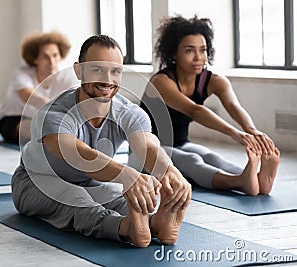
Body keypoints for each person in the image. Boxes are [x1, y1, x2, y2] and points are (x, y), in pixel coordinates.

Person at [11, 35, 191, 247]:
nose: (107, 79)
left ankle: (156, 223)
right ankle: (126, 229)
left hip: (90, 180)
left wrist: (168, 171)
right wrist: (126, 174)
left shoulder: (130, 112)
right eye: (97, 69)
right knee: (75, 199)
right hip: (35, 180)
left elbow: (147, 144)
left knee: (121, 197)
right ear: (79, 71)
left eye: (115, 71)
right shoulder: (53, 112)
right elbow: (77, 154)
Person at [137, 15, 280, 196]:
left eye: (203, 50)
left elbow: (234, 107)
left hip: (180, 143)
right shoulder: (161, 82)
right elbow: (194, 110)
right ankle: (239, 182)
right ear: (174, 53)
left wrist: (253, 132)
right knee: (191, 160)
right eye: (190, 51)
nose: (198, 57)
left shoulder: (214, 81)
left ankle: (256, 178)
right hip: (146, 150)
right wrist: (235, 134)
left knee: (211, 157)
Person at [0, 31, 78, 145]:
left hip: (48, 119)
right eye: (45, 56)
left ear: (61, 56)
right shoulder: (21, 74)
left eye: (55, 55)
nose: (51, 61)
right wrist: (54, 109)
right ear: (35, 59)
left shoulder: (66, 78)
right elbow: (26, 95)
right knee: (47, 128)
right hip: (14, 120)